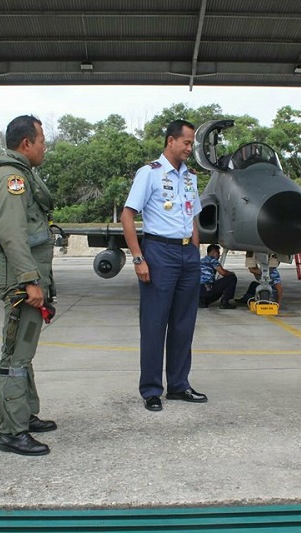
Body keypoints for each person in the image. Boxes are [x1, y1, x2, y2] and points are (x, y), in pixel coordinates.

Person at [121, 119, 207, 412]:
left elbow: (193, 216)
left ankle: (179, 385)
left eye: (191, 143)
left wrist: (195, 247)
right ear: (171, 141)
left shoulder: (190, 177)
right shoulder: (149, 174)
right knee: (155, 324)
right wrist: (138, 258)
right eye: (186, 142)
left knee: (184, 324)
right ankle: (151, 389)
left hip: (187, 255)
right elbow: (128, 216)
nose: (189, 148)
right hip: (159, 253)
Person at [0, 115, 58, 456]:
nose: (45, 145)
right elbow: (13, 236)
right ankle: (11, 432)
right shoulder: (12, 179)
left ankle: (25, 414)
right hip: (21, 284)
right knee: (15, 356)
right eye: (41, 139)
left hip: (30, 279)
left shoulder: (23, 176)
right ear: (26, 144)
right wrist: (30, 282)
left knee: (24, 351)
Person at [199, 244, 238, 309]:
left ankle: (202, 301)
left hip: (198, 291)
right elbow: (223, 273)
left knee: (215, 287)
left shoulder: (201, 261)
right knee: (232, 278)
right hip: (207, 288)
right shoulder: (212, 260)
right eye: (218, 253)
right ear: (214, 252)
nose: (219, 256)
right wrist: (231, 273)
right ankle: (225, 303)